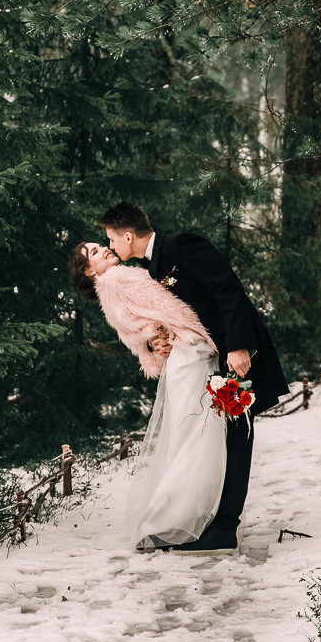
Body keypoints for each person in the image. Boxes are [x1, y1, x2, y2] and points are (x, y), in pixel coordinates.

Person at [100, 202, 290, 553]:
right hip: (214, 358)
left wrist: (238, 348)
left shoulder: (181, 245)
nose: (111, 247)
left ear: (128, 236)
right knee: (225, 439)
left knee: (238, 438)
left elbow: (229, 290)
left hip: (237, 355)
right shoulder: (150, 265)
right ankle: (214, 524)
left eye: (112, 239)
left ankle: (224, 530)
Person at [68, 241, 229, 552]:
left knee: (188, 433)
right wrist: (200, 331)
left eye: (102, 244)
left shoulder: (114, 287)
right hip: (187, 354)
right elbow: (169, 308)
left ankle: (180, 516)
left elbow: (139, 330)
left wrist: (153, 339)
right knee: (196, 434)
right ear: (89, 270)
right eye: (94, 252)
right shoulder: (116, 279)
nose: (103, 248)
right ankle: (171, 520)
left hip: (181, 358)